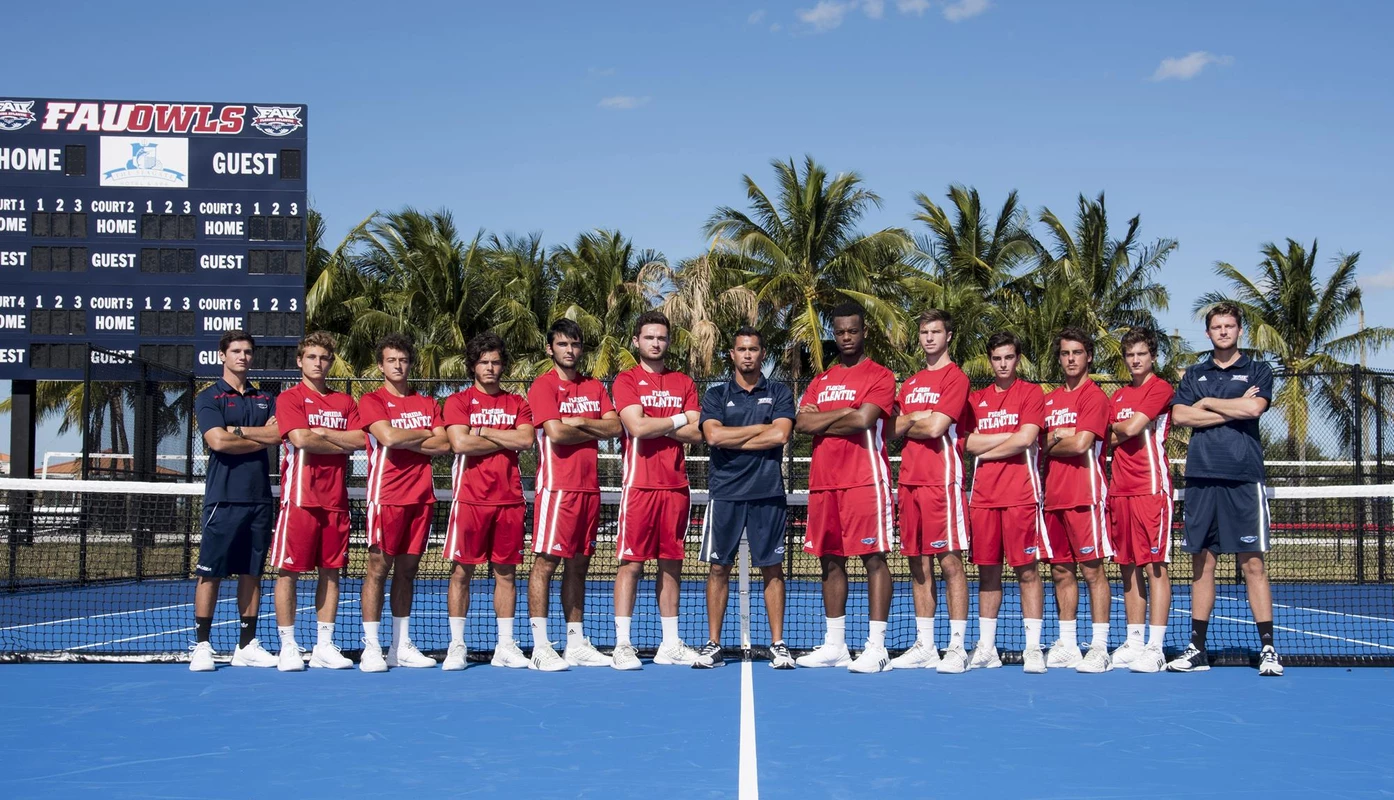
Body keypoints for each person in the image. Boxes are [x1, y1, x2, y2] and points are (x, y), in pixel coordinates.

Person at [1168, 303, 1282, 676]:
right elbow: (1181, 416)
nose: (1223, 331)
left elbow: (1254, 410)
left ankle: (1268, 649)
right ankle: (1196, 649)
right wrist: (1233, 405)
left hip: (1243, 478)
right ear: (1208, 333)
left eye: (1229, 326)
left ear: (1239, 330)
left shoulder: (1258, 369)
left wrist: (1210, 403)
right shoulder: (1194, 373)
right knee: (1202, 564)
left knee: (1252, 564)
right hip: (1201, 478)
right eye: (1216, 326)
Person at [794, 301, 897, 673]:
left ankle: (877, 647)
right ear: (833, 334)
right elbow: (802, 425)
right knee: (830, 560)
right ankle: (835, 646)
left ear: (864, 331)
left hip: (864, 481)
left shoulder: (880, 375)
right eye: (840, 331)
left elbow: (864, 420)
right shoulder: (820, 380)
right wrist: (844, 414)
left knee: (873, 559)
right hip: (824, 484)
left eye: (853, 330)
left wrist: (827, 418)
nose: (846, 337)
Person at [696, 326, 797, 670]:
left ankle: (778, 644)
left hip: (768, 492)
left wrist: (733, 437)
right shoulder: (715, 395)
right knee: (718, 568)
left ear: (762, 353)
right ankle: (713, 645)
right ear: (732, 354)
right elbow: (713, 437)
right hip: (724, 492)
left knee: (772, 568)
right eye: (742, 349)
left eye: (754, 349)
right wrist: (760, 430)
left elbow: (781, 434)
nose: (748, 355)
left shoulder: (780, 392)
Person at [525, 318, 623, 671]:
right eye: (563, 344)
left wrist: (579, 423)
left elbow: (615, 426)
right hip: (557, 489)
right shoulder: (543, 386)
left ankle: (575, 642)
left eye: (576, 344)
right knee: (546, 564)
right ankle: (539, 646)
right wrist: (588, 426)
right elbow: (555, 433)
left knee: (579, 566)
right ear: (550, 348)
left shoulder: (595, 386)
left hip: (589, 490)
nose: (570, 350)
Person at [609, 311, 704, 669]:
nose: (655, 343)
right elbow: (636, 427)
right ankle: (622, 645)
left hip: (677, 487)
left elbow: (699, 433)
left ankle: (670, 643)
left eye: (661, 338)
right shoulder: (626, 380)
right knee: (631, 565)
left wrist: (657, 424)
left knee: (671, 566)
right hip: (639, 487)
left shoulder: (684, 382)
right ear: (637, 341)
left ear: (668, 342)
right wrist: (678, 420)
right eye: (649, 337)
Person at [269, 332, 365, 671]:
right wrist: (334, 441)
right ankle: (289, 646)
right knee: (289, 573)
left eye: (324, 357)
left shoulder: (345, 402)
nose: (318, 363)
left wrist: (323, 434)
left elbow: (360, 439)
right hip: (300, 499)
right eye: (311, 357)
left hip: (335, 501)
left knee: (332, 573)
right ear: (300, 361)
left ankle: (324, 645)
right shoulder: (289, 399)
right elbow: (299, 438)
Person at [357, 333, 451, 672]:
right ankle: (371, 647)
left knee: (408, 573)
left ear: (410, 364)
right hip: (386, 498)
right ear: (381, 365)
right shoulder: (372, 400)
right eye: (391, 360)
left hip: (421, 499)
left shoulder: (428, 403)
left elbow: (443, 445)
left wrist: (406, 439)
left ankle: (400, 645)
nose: (398, 366)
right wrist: (421, 436)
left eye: (403, 360)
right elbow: (388, 437)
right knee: (377, 570)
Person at [441, 332, 536, 670]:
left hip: (510, 500)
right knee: (461, 573)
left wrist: (481, 432)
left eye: (496, 362)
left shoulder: (518, 403)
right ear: (473, 366)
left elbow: (525, 440)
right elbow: (460, 445)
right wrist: (501, 438)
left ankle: (506, 646)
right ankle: (456, 646)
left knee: (506, 574)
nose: (491, 368)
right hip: (469, 500)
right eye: (484, 362)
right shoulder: (457, 401)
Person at [189, 331, 281, 672]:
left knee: (252, 572)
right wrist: (259, 438)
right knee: (210, 574)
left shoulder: (265, 399)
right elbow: (218, 442)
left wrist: (238, 431)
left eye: (248, 352)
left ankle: (247, 645)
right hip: (223, 499)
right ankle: (201, 645)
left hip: (259, 499)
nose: (243, 356)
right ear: (223, 356)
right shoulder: (208, 397)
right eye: (236, 351)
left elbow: (278, 435)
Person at [890, 309, 973, 674]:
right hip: (908, 481)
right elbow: (893, 428)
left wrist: (915, 421)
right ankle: (925, 644)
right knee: (916, 562)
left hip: (942, 481)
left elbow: (937, 427)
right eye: (924, 332)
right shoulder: (908, 384)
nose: (928, 338)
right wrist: (912, 418)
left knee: (950, 562)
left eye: (935, 331)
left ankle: (956, 646)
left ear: (948, 336)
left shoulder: (956, 379)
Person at [965, 331, 1049, 674]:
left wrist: (991, 447)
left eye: (1009, 357)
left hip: (1021, 496)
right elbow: (968, 443)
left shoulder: (1030, 393)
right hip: (982, 498)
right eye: (997, 358)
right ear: (990, 360)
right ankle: (986, 647)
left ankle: (1033, 648)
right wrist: (1009, 438)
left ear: (1018, 359)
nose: (1003, 364)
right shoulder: (975, 399)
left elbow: (1027, 439)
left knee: (1027, 571)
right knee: (987, 572)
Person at [1039, 328, 1114, 673]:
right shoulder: (1049, 400)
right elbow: (1040, 445)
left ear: (1089, 357)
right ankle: (1067, 644)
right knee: (1060, 571)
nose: (1071, 358)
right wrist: (1057, 437)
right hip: (1052, 498)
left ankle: (1099, 647)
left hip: (1085, 495)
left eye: (1077, 353)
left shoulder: (1094, 397)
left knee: (1092, 571)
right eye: (1065, 353)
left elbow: (1082, 444)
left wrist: (1057, 439)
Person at [1105, 327, 1175, 673]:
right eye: (1130, 355)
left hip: (1151, 488)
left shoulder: (1160, 388)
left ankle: (1156, 647)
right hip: (1119, 490)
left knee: (1154, 564)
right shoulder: (1117, 397)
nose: (1135, 360)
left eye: (1141, 354)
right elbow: (1108, 438)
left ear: (1152, 357)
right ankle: (1134, 641)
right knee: (1127, 565)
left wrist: (1121, 427)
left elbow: (1130, 430)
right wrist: (1121, 428)